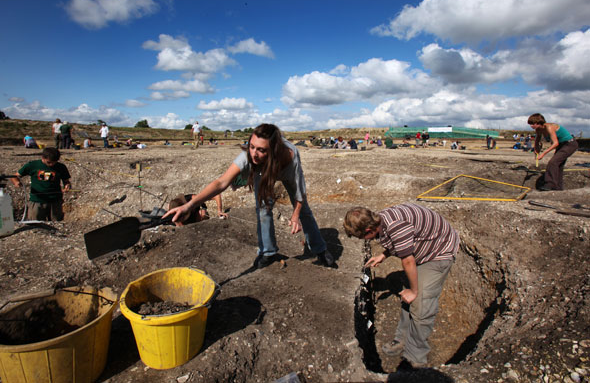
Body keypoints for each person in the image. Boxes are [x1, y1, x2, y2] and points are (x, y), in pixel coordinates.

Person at [165, 123, 334, 269]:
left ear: (273, 150)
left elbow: (300, 193)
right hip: (264, 170)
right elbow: (221, 183)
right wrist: (189, 205)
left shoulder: (290, 157)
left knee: (303, 210)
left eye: (260, 150)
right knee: (263, 208)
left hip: (284, 170)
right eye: (251, 146)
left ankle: (320, 249)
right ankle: (268, 252)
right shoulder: (250, 157)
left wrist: (295, 216)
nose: (254, 153)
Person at [344, 204, 459, 368]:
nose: (365, 240)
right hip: (425, 249)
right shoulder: (380, 219)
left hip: (439, 252)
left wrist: (414, 291)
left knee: (421, 304)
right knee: (408, 296)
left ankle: (415, 359)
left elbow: (408, 260)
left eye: (363, 237)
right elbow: (400, 242)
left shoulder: (396, 227)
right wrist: (383, 255)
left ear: (369, 229)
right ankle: (402, 339)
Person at [10, 147, 72, 221]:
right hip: (36, 201)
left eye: (54, 162)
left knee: (56, 224)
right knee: (35, 225)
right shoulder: (32, 165)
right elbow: (14, 176)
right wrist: (16, 182)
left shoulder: (61, 167)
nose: (51, 164)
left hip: (55, 202)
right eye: (49, 162)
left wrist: (67, 186)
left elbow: (66, 181)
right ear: (43, 157)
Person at [528, 113, 578, 191]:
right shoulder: (538, 129)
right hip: (561, 145)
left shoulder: (549, 127)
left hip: (569, 144)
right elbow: (537, 140)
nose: (531, 126)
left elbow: (555, 143)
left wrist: (543, 153)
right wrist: (536, 149)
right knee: (559, 165)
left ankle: (550, 184)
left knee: (553, 162)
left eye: (532, 124)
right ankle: (558, 187)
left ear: (538, 123)